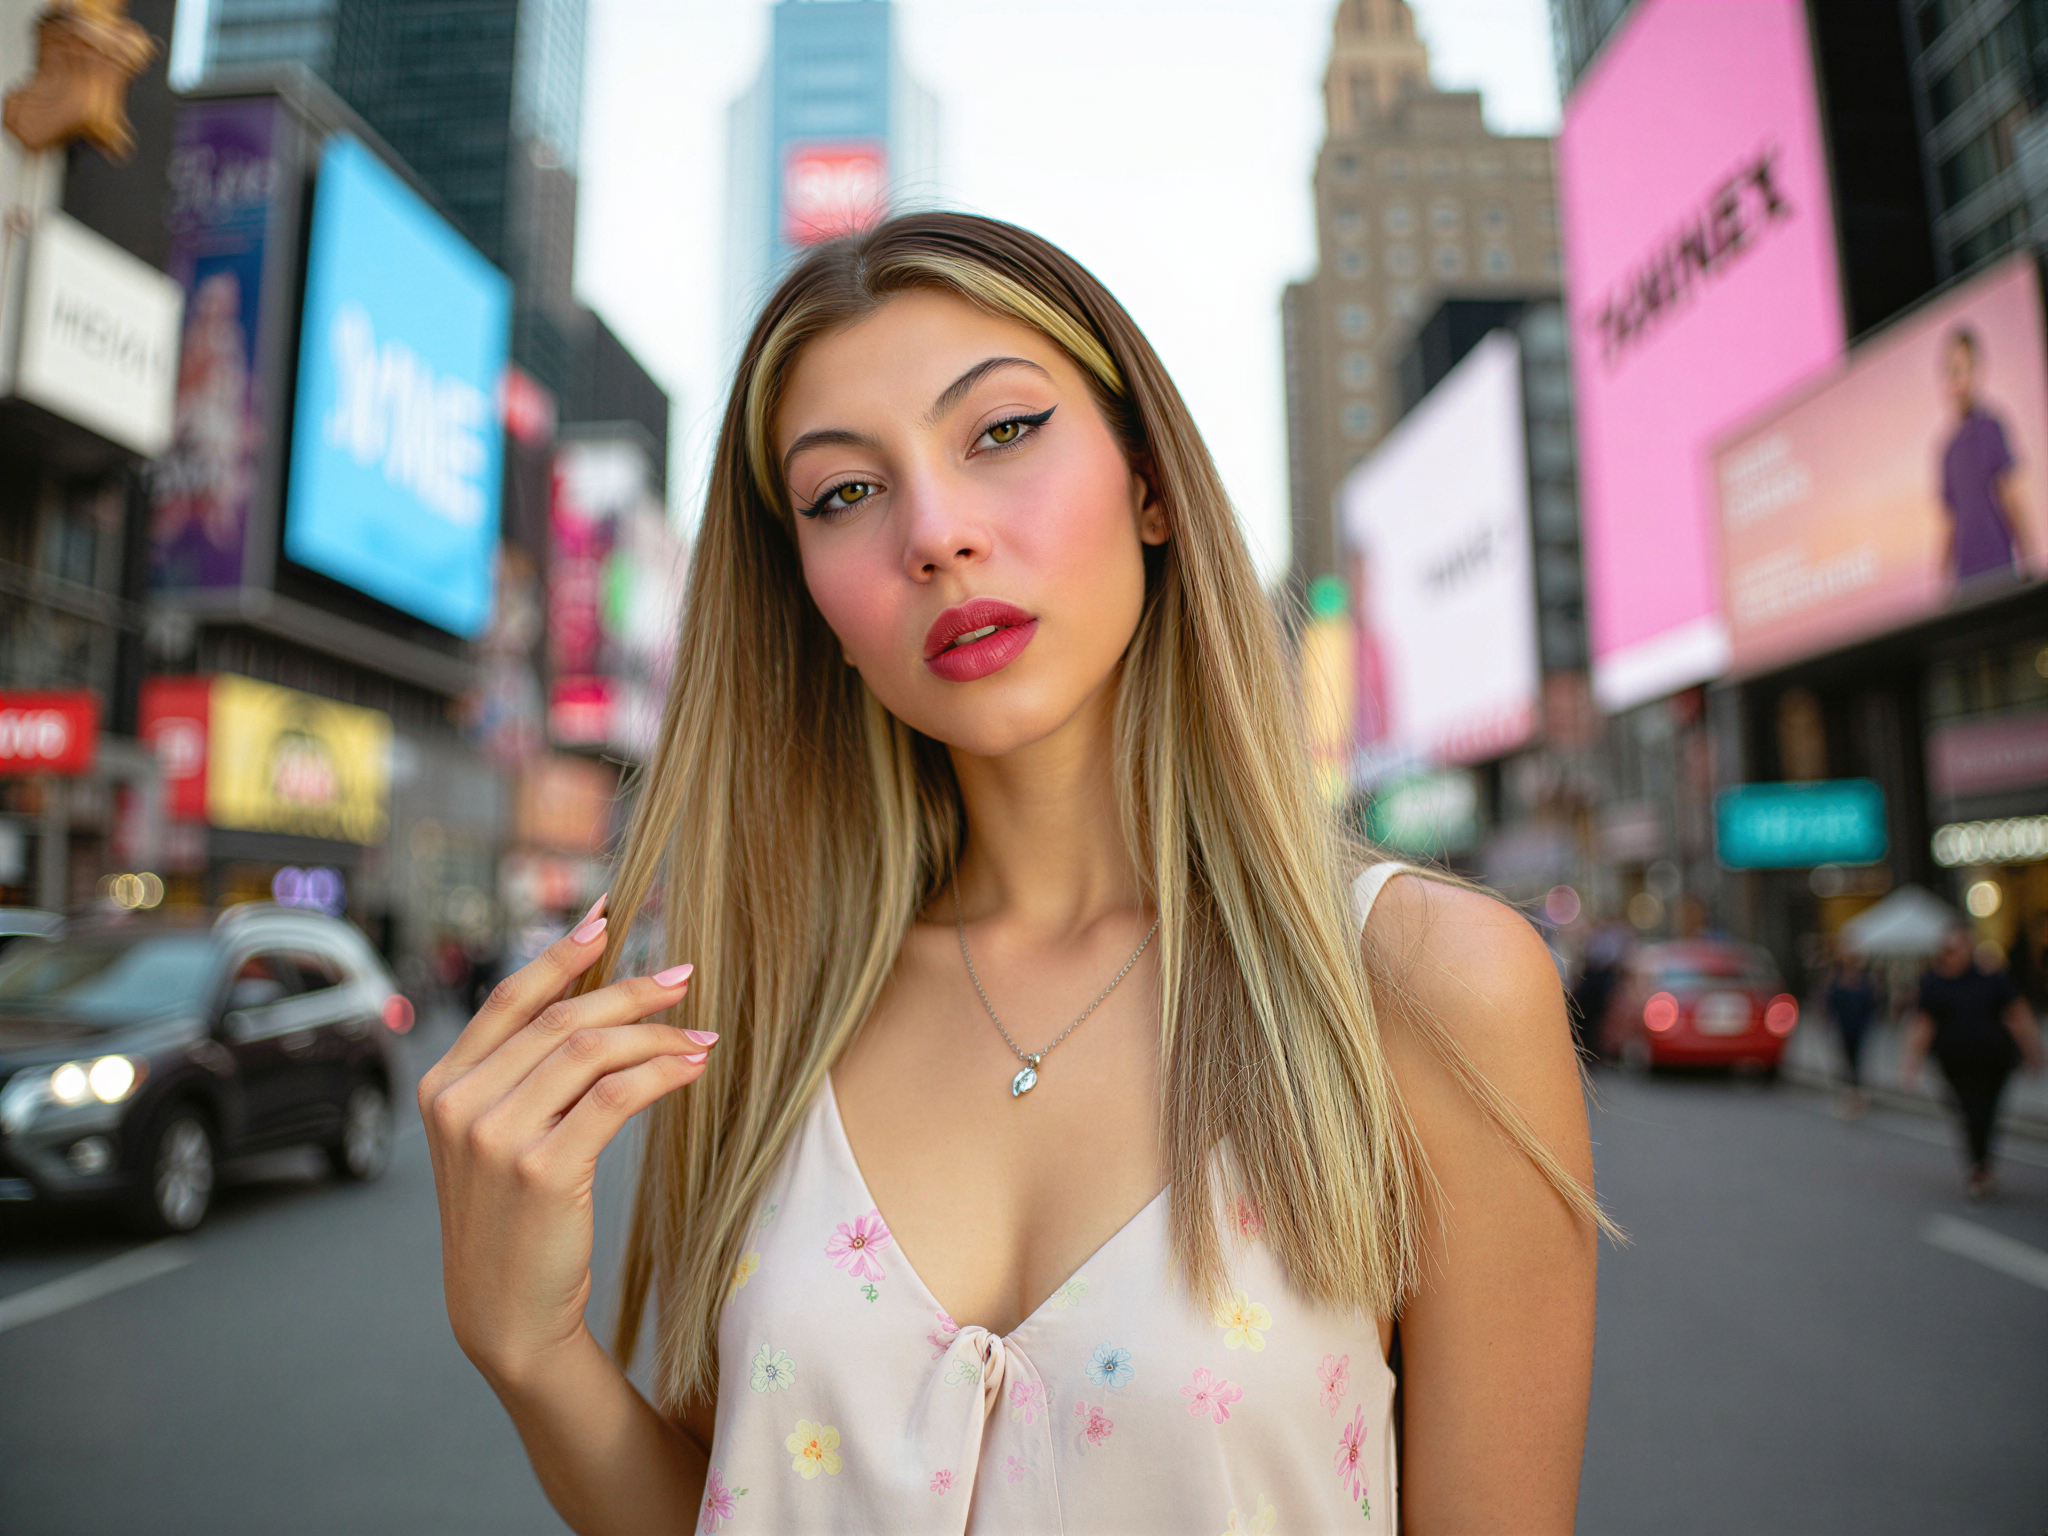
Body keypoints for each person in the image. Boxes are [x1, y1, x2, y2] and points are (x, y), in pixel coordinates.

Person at [417, 214, 1604, 1532]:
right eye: (844, 495)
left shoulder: (1426, 984)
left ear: (1150, 484)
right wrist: (532, 1359)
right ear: (810, 598)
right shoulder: (772, 1008)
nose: (934, 534)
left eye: (1001, 432)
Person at [1900, 926, 2046, 1199]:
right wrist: (1911, 1063)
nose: (1953, 955)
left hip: (1995, 1062)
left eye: (1958, 948)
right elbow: (1923, 1025)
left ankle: (1981, 1166)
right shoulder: (1934, 984)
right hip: (1955, 1066)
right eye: (1948, 950)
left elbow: (2017, 1014)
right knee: (1969, 1113)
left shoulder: (1991, 980)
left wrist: (2033, 1051)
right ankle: (1979, 1167)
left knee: (1987, 1113)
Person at [1937, 326, 2031, 587]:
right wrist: (1941, 582)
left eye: (1962, 369)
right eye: (1950, 371)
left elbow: (2011, 497)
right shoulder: (1947, 450)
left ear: (1975, 370)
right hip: (1965, 581)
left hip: (1999, 570)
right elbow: (1950, 523)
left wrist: (2030, 560)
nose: (1957, 380)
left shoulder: (1991, 426)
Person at [1823, 946, 1882, 1117]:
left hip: (1860, 1028)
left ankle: (1855, 1093)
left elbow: (1873, 1004)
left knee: (1857, 1060)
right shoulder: (1837, 980)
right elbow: (1830, 1004)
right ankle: (1850, 1092)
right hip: (1843, 1027)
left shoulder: (1865, 982)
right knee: (1846, 1060)